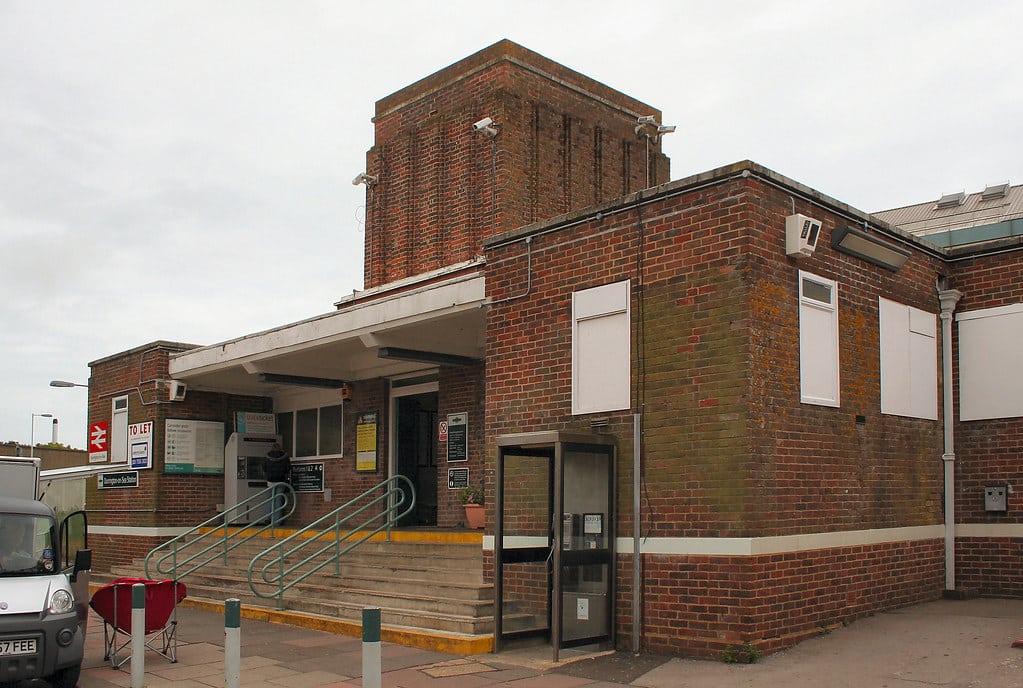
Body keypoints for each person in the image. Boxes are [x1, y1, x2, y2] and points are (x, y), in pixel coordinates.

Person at [264, 443, 292, 526]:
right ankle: (277, 521)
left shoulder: (267, 457)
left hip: (270, 481)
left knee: (270, 499)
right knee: (278, 500)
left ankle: (267, 518)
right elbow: (288, 468)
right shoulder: (285, 457)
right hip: (281, 481)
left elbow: (264, 467)